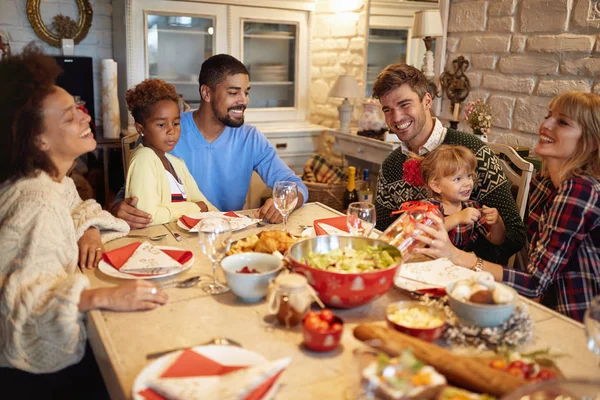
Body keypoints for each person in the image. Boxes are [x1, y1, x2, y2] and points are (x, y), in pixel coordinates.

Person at [0, 45, 168, 397]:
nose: (84, 116)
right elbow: (19, 302)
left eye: (77, 108)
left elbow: (76, 206)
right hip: (34, 377)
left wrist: (88, 229)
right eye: (68, 116)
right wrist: (105, 296)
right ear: (38, 139)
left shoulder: (49, 180)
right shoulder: (37, 200)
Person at [412, 91, 600, 322]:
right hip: (544, 309)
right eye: (548, 116)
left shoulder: (579, 190)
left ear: (590, 143)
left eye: (562, 122)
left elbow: (534, 284)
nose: (545, 124)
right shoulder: (545, 184)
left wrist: (455, 256)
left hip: (578, 320)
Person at [112, 54, 308, 228]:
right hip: (173, 235)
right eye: (233, 93)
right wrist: (117, 207)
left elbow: (295, 185)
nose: (244, 100)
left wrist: (288, 199)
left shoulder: (251, 138)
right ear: (206, 93)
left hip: (228, 234)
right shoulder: (164, 131)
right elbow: (128, 192)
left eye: (246, 92)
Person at [372, 63, 525, 264]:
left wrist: (463, 260)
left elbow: (515, 236)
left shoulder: (474, 151)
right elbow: (382, 230)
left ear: (427, 101)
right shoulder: (391, 166)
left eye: (405, 104)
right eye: (388, 110)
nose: (396, 117)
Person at [125, 78, 217, 225]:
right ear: (140, 128)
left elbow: (205, 204)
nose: (171, 131)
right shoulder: (143, 158)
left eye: (176, 123)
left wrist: (221, 218)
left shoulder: (176, 163)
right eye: (161, 124)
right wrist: (194, 208)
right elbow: (148, 216)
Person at [402, 145, 505, 251]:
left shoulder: (472, 207)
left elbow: (496, 240)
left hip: (461, 263)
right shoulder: (429, 208)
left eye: (469, 176)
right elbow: (420, 235)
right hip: (430, 261)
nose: (467, 183)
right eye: (458, 179)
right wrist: (457, 218)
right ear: (436, 186)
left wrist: (497, 222)